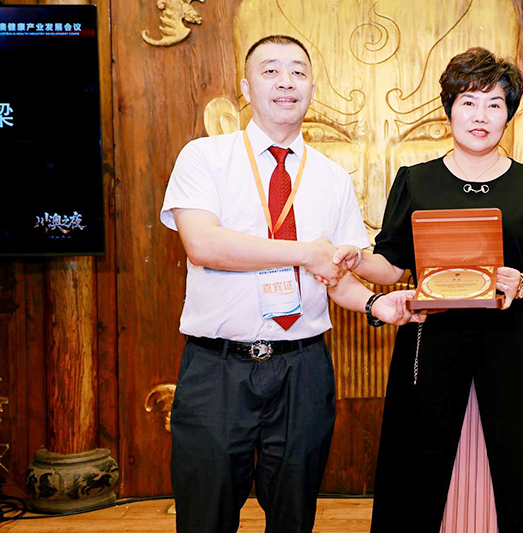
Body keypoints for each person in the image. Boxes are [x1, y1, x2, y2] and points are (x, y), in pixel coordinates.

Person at [160, 34, 423, 533]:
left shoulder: (331, 177)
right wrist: (305, 252)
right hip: (218, 370)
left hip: (303, 369)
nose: (286, 82)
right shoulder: (205, 157)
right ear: (246, 87)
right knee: (205, 518)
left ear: (312, 89)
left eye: (298, 72)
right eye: (271, 70)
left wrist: (376, 305)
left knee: (294, 518)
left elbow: (336, 276)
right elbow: (204, 245)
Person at [337, 47, 523, 531]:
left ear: (509, 113)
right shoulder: (416, 181)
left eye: (494, 104)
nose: (480, 116)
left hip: (512, 343)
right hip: (430, 342)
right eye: (468, 102)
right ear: (449, 109)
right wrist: (356, 259)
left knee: (521, 466)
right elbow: (391, 264)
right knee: (418, 469)